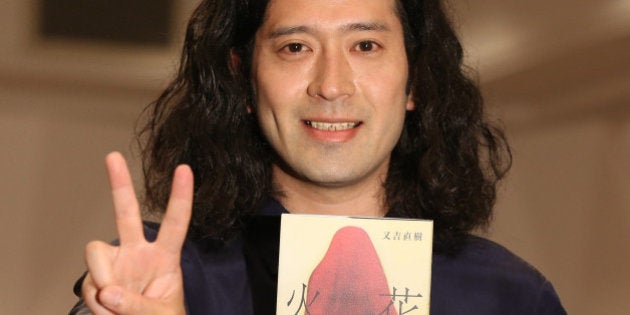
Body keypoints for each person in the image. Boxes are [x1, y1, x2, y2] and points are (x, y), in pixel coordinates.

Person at [70, 0, 567, 314]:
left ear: (415, 80)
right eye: (295, 47)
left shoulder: (507, 295)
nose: (331, 85)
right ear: (245, 80)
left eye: (366, 45)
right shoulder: (162, 275)